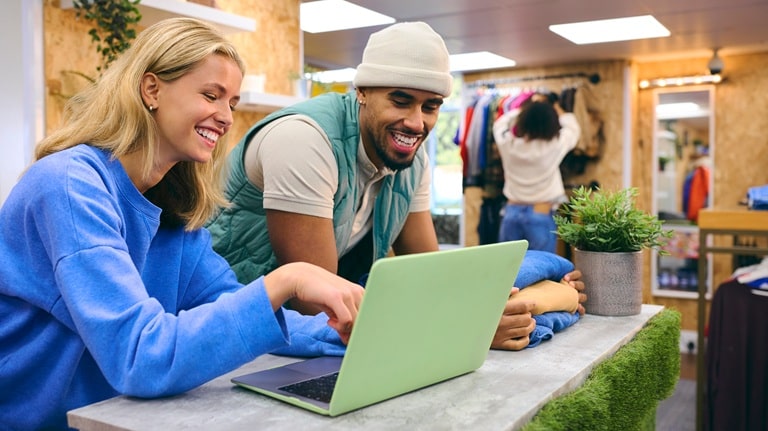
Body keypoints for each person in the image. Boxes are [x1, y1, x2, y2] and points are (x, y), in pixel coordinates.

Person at [0, 18, 364, 431]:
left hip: (115, 417)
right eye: (212, 95)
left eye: (233, 103)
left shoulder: (172, 207)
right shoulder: (68, 185)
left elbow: (232, 305)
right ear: (151, 89)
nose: (226, 117)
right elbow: (140, 356)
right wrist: (287, 279)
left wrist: (355, 330)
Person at [206, 21, 586, 352]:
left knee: (524, 272)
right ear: (362, 92)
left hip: (336, 299)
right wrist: (467, 327)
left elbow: (427, 270)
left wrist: (478, 305)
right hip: (241, 317)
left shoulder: (411, 158)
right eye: (400, 100)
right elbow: (319, 309)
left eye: (431, 106)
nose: (416, 123)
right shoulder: (304, 139)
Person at [492, 93, 581, 253]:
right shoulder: (555, 145)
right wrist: (556, 108)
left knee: (508, 270)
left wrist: (522, 110)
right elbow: (572, 127)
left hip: (511, 212)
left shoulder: (509, 144)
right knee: (540, 269)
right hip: (541, 213)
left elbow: (499, 124)